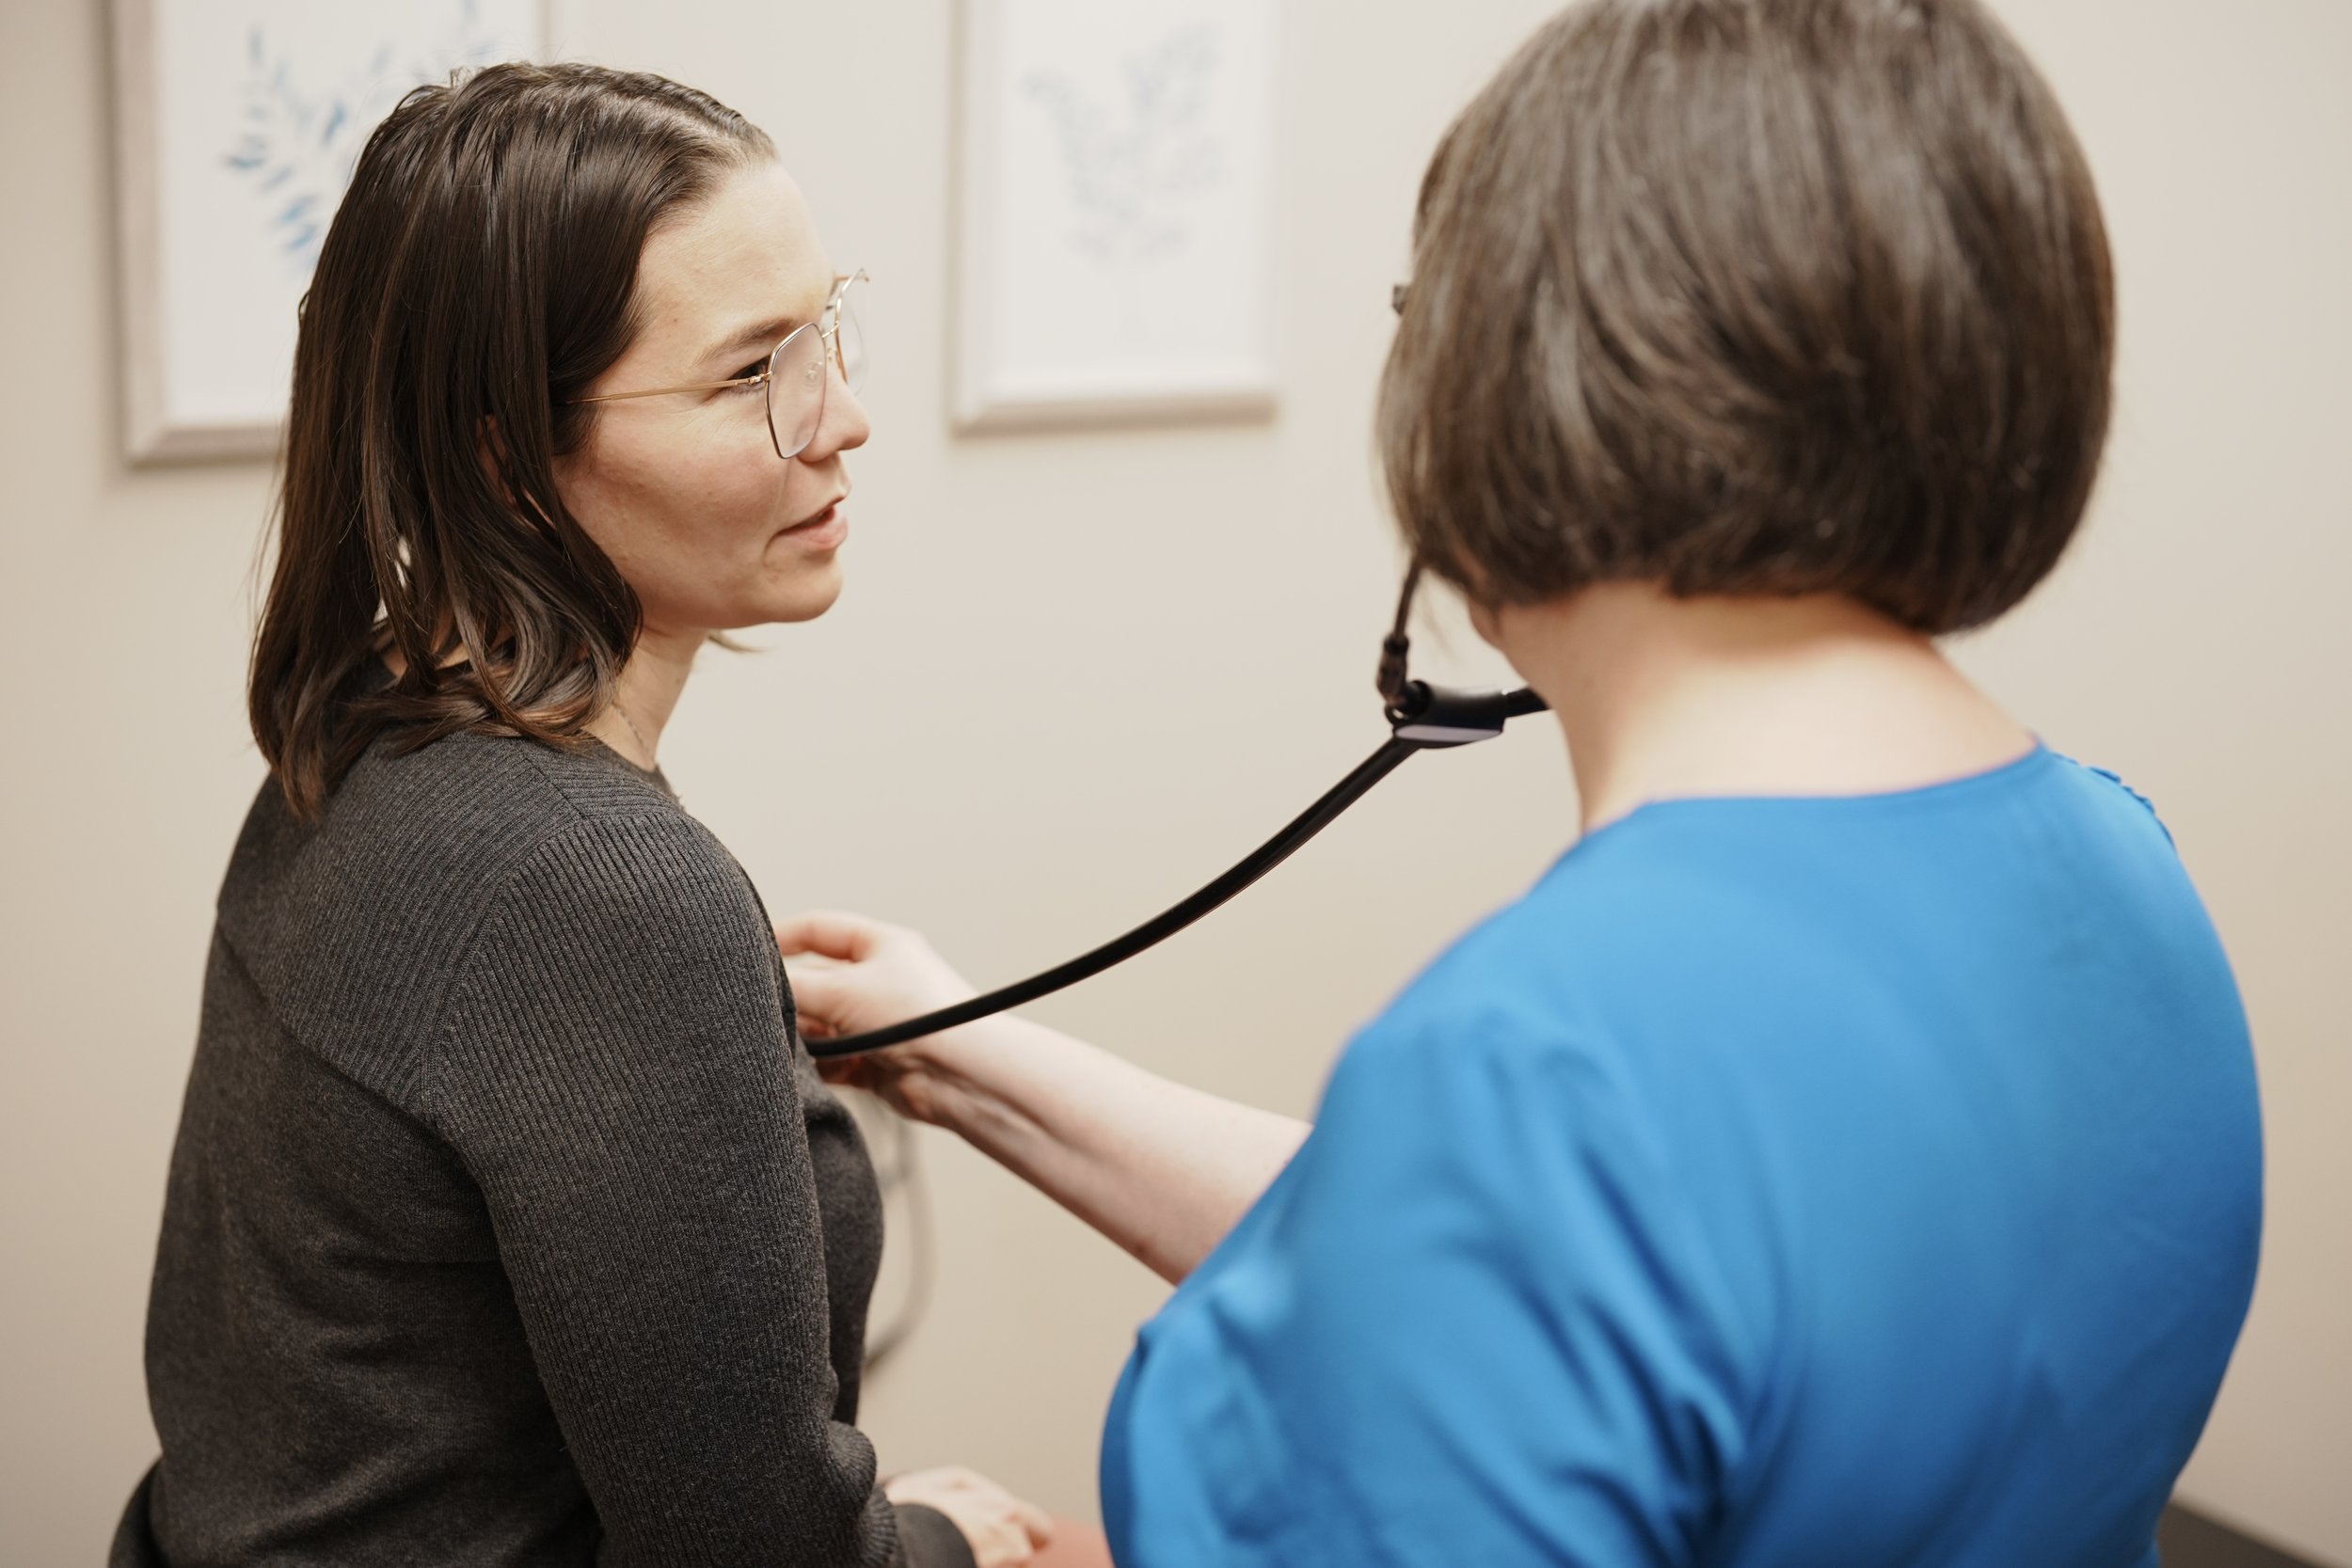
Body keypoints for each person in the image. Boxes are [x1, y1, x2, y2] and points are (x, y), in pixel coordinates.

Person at [781, 1, 2264, 1563]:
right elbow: (1571, 1283)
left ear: (1510, 379)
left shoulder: (1533, 1076)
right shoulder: (2125, 868)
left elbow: (1537, 1237)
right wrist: (969, 1058)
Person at [112, 63, 1062, 1568]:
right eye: (753, 372)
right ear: (507, 459)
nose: (845, 418)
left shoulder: (355, 728)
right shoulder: (601, 890)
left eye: (824, 330)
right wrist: (948, 1538)